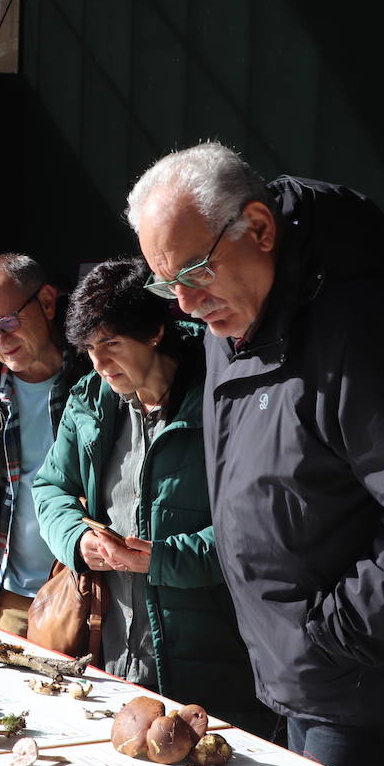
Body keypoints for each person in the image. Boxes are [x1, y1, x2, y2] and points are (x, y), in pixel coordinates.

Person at [127, 141, 384, 766]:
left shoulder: (370, 330)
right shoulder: (231, 328)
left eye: (194, 270)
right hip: (289, 662)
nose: (184, 303)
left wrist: (326, 638)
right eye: (165, 282)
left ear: (260, 230)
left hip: (360, 674)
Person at [33, 257, 272, 735]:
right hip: (120, 653)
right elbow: (50, 488)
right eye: (89, 348)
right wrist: (77, 538)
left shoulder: (223, 401)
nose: (99, 363)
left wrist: (162, 559)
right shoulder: (90, 400)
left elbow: (259, 532)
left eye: (112, 345)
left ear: (155, 333)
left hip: (220, 661)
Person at [0, 254, 88, 637]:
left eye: (7, 323)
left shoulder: (98, 379)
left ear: (46, 302)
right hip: (9, 598)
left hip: (91, 596)